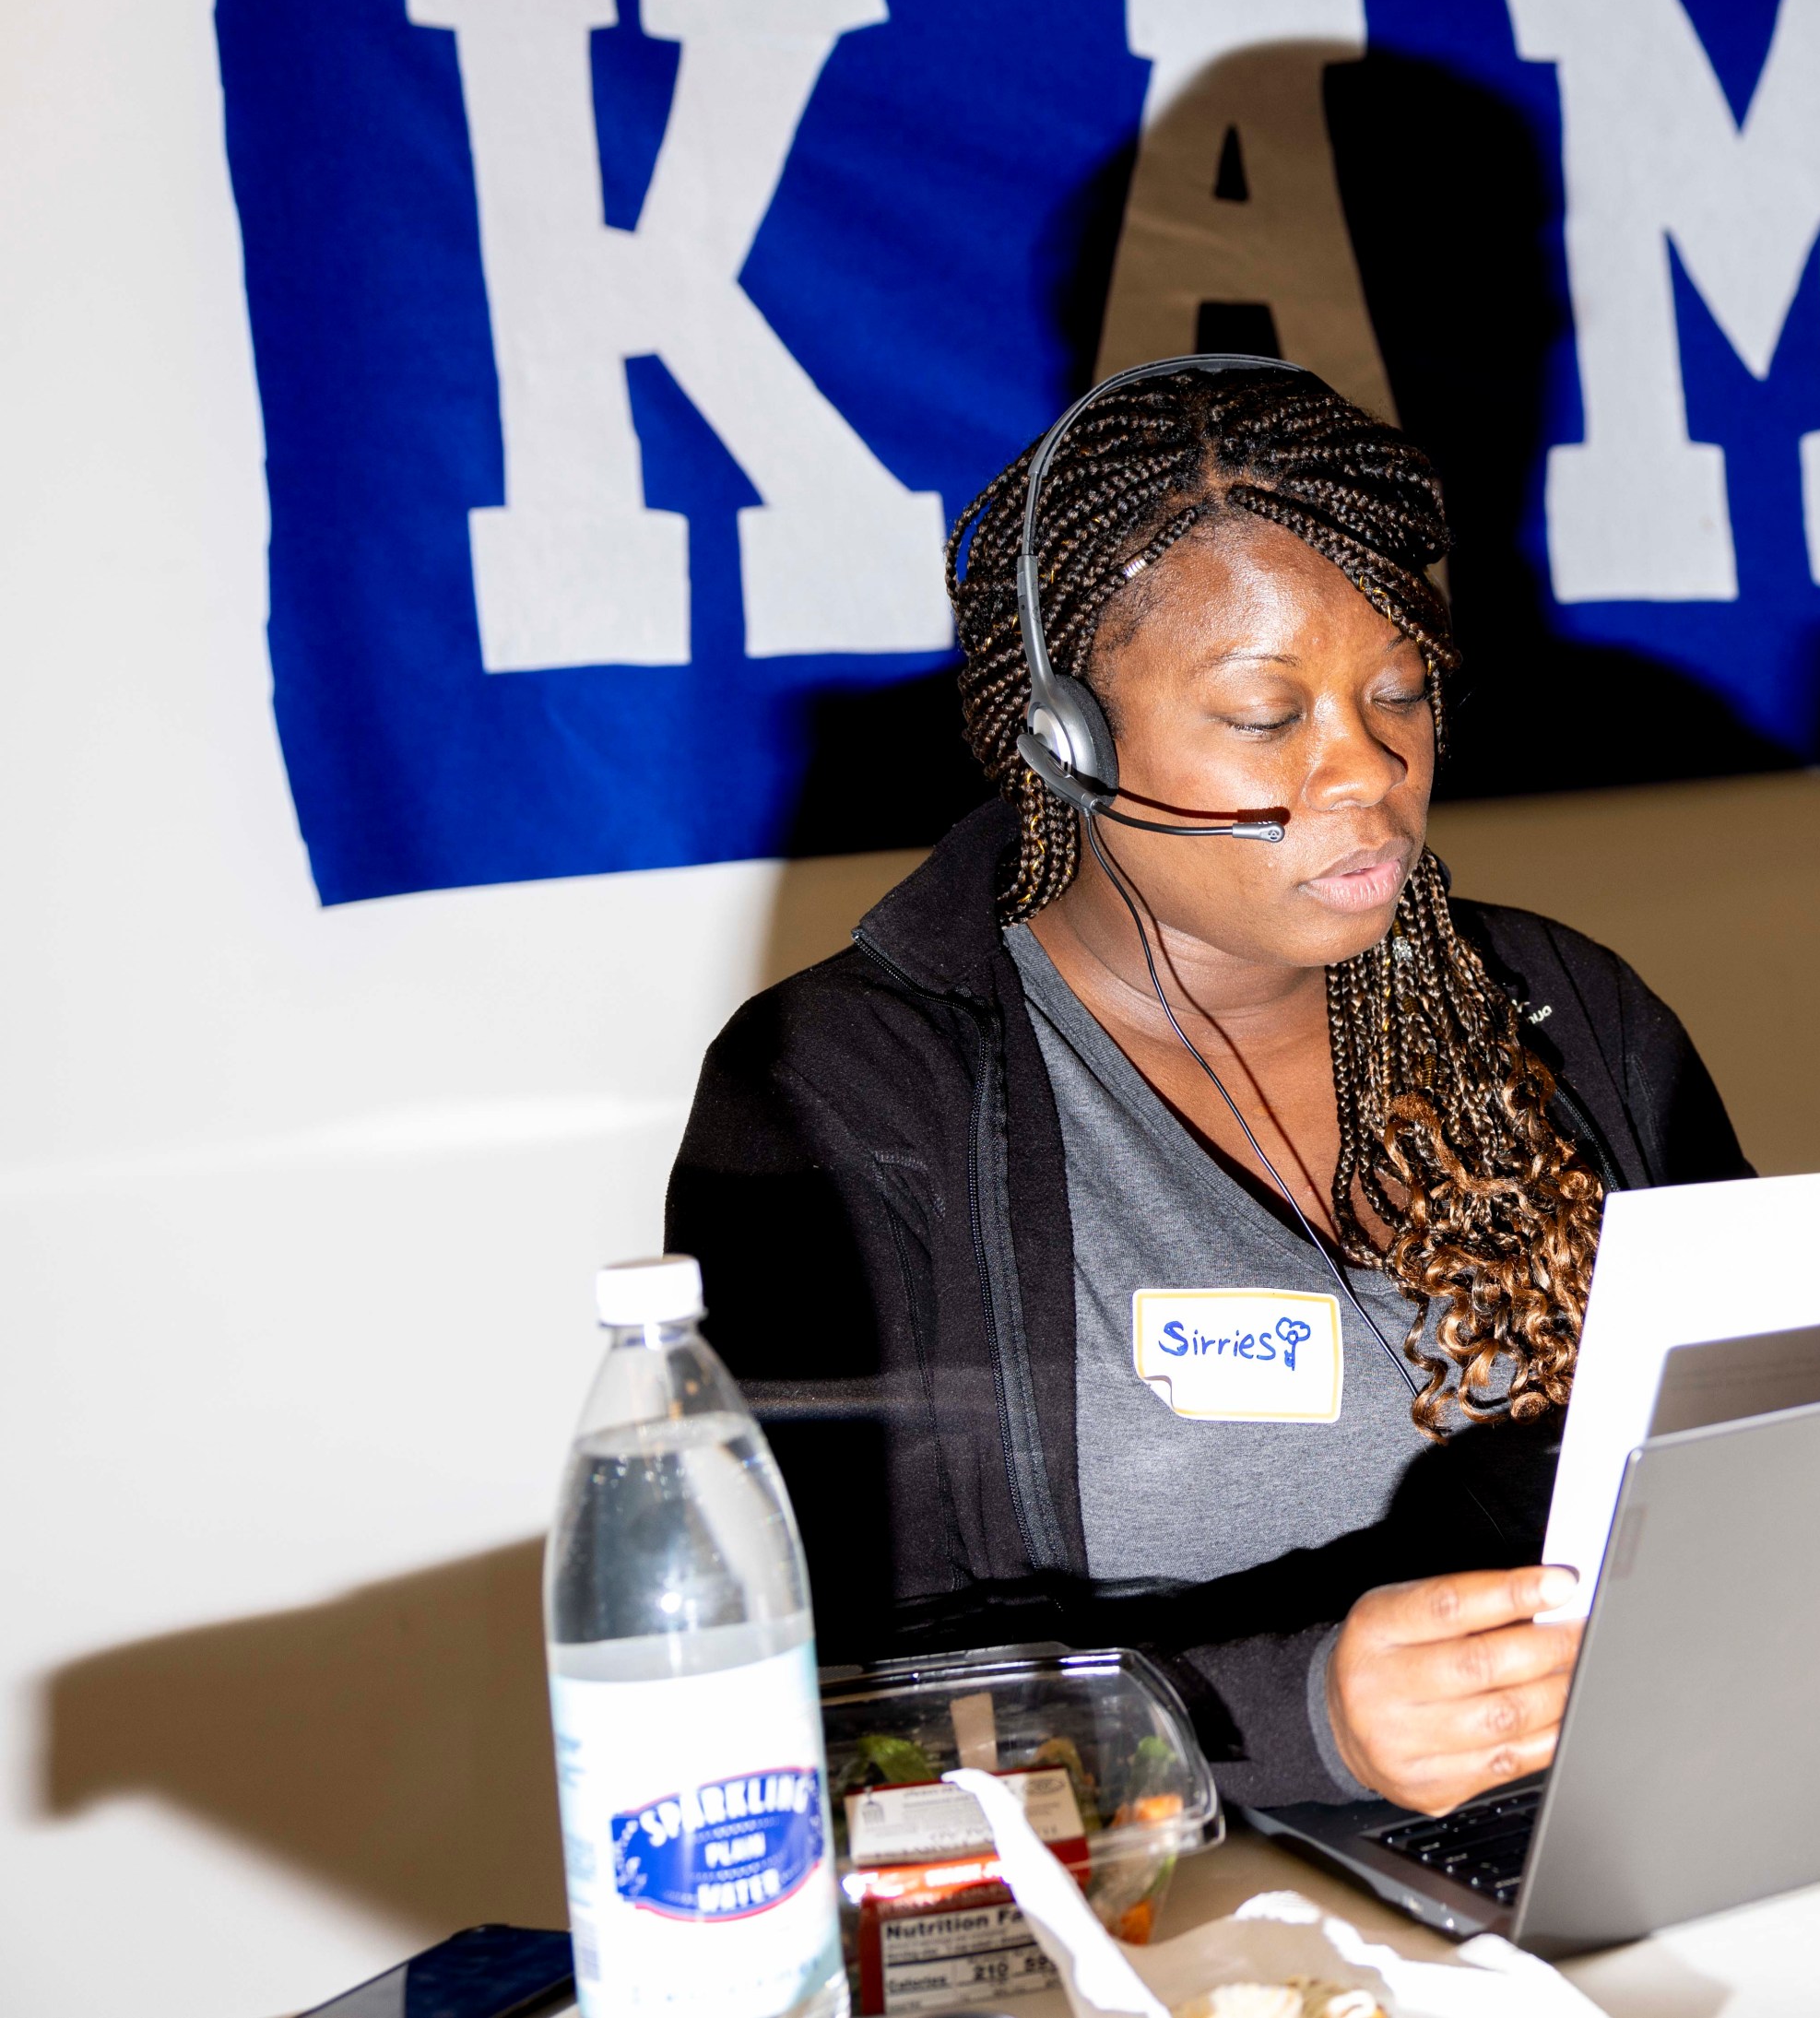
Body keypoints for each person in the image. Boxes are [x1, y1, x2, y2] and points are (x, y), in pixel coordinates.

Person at [669, 360, 1747, 1816]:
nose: (1365, 770)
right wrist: (1300, 1720)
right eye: (1264, 713)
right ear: (1068, 738)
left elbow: (1761, 1457)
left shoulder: (1569, 1016)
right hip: (1163, 1918)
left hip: (1628, 1840)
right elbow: (805, 1722)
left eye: (1399, 693)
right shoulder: (843, 1097)